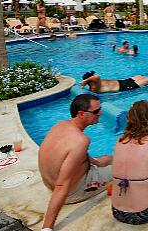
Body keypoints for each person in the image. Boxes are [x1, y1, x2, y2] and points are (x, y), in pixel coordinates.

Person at [39, 94, 114, 230]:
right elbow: (62, 186)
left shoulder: (60, 125)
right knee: (123, 168)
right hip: (72, 192)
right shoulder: (80, 140)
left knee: (111, 158)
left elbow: (80, 158)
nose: (100, 113)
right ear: (81, 114)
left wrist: (103, 161)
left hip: (51, 184)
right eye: (96, 111)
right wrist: (47, 228)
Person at [80, 72, 148, 93]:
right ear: (89, 80)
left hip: (122, 82)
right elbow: (97, 77)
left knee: (139, 76)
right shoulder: (94, 87)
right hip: (123, 87)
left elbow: (96, 77)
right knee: (147, 81)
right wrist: (85, 82)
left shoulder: (95, 81)